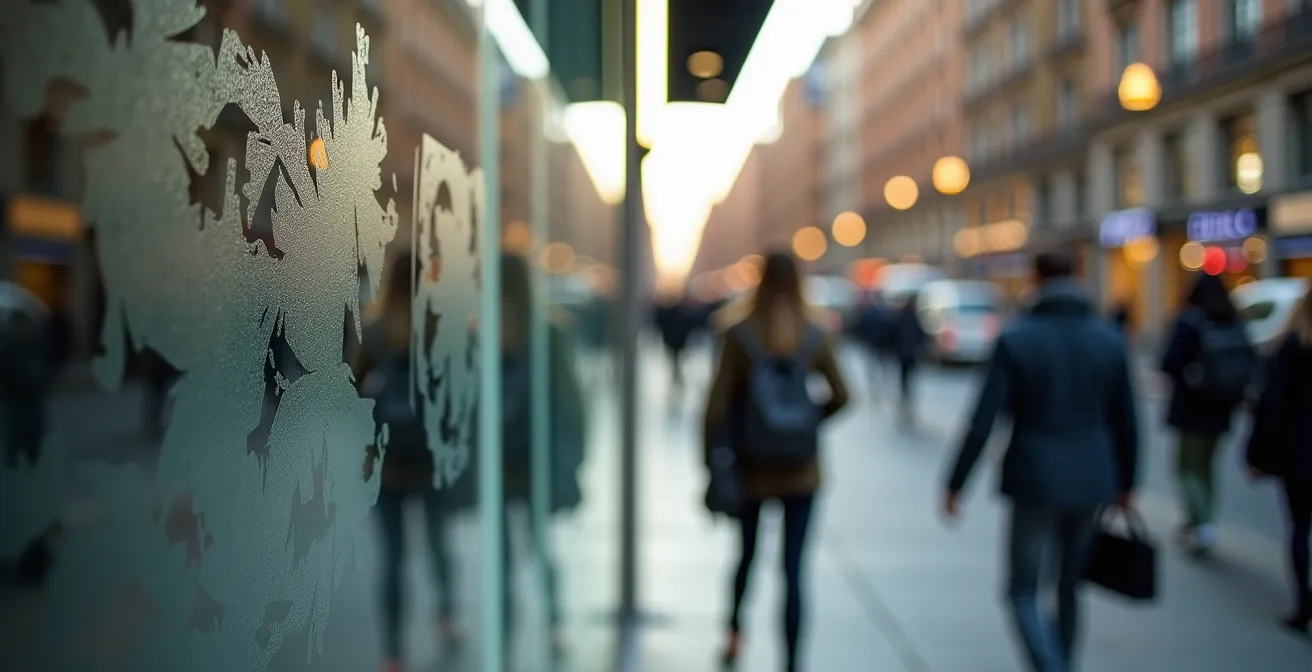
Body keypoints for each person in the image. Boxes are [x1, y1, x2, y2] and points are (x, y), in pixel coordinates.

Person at [942, 250, 1138, 672]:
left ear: (1036, 279)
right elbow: (1128, 421)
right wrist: (1127, 484)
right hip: (1093, 478)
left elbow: (983, 420)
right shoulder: (1107, 338)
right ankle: (1062, 662)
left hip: (1035, 477)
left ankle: (1050, 667)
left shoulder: (1017, 338)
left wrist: (956, 483)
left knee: (1022, 590)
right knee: (1069, 587)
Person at [702, 251, 850, 672]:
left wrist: (711, 463)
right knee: (794, 571)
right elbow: (844, 395)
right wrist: (806, 420)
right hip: (802, 472)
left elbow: (716, 407)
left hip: (751, 470)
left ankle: (733, 633)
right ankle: (792, 660)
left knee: (745, 557)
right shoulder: (814, 334)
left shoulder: (738, 334)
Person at [354, 254, 463, 672]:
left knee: (392, 557)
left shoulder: (375, 331)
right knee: (438, 543)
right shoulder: (439, 327)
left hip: (384, 461)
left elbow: (350, 389)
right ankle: (447, 615)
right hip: (430, 460)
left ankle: (393, 651)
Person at [499, 251, 585, 655]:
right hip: (532, 460)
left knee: (503, 558)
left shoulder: (479, 333)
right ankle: (554, 624)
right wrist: (571, 460)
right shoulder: (547, 332)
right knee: (541, 548)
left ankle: (505, 634)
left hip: (500, 463)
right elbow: (571, 404)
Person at [1160, 273, 1254, 556]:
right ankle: (1199, 521)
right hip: (1221, 408)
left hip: (1192, 407)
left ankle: (1202, 524)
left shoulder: (1190, 321)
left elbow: (1169, 362)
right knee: (1207, 469)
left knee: (1186, 469)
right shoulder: (1232, 319)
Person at [1245, 283, 1312, 635]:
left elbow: (1271, 408)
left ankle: (1303, 603)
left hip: (1300, 456)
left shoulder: (1290, 347)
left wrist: (1256, 455)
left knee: (1299, 528)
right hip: (1299, 454)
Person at [894, 293, 926, 423]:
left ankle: (905, 396)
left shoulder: (901, 318)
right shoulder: (914, 318)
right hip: (911, 354)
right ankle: (906, 397)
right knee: (909, 378)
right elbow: (921, 336)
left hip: (904, 354)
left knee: (905, 377)